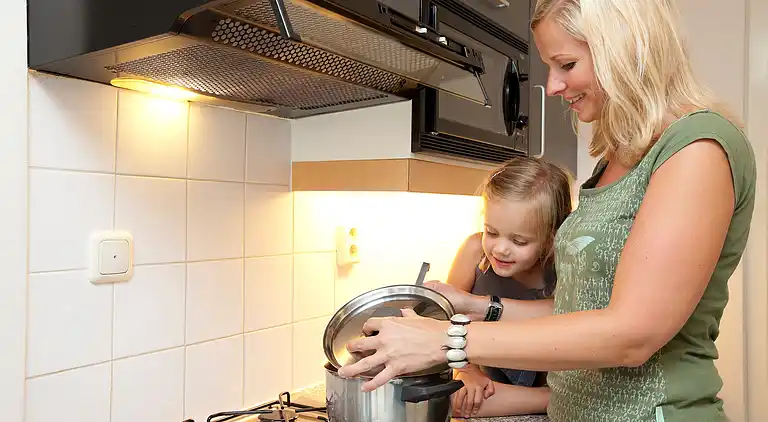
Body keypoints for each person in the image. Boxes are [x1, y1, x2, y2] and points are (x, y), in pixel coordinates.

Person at [337, 0, 757, 421]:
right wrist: (478, 307)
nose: (553, 86)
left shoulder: (697, 148)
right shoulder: (618, 158)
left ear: (626, 49)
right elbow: (582, 307)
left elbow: (633, 334)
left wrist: (448, 340)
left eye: (566, 64)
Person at [445, 156, 571, 418]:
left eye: (519, 241)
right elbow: (446, 324)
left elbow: (568, 318)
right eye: (492, 232)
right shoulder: (474, 253)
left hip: (544, 386)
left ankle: (552, 399)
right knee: (455, 401)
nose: (500, 249)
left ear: (550, 238)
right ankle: (555, 400)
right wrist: (466, 372)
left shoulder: (562, 267)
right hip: (488, 385)